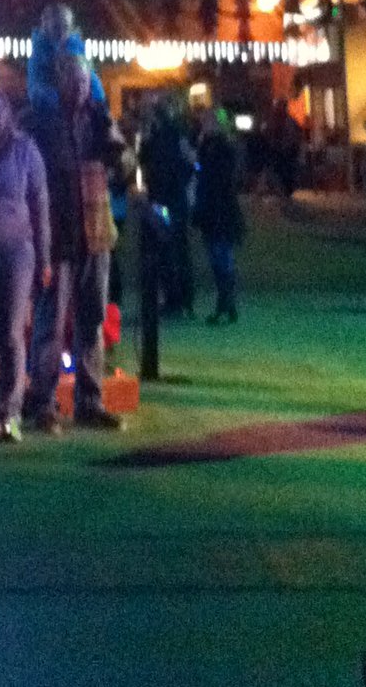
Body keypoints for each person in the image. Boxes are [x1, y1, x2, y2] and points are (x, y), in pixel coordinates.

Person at [24, 52, 126, 432]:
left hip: (96, 233)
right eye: (74, 80)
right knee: (51, 322)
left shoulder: (98, 119)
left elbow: (124, 166)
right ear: (60, 82)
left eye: (85, 81)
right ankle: (44, 404)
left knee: (92, 320)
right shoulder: (43, 122)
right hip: (61, 236)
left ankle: (90, 401)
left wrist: (118, 149)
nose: (81, 87)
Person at [0, 88, 50, 441]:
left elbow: (39, 205)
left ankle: (10, 411)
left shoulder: (26, 150)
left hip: (17, 250)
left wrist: (44, 256)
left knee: (10, 332)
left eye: (1, 110)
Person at [139, 96, 196, 317]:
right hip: (170, 198)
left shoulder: (166, 135)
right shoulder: (172, 134)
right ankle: (180, 299)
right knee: (176, 249)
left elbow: (147, 160)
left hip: (166, 199)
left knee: (170, 249)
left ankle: (177, 299)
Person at [194, 107, 245, 324]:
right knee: (220, 257)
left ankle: (225, 303)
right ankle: (227, 303)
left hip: (219, 208)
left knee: (221, 256)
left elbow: (216, 175)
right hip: (216, 207)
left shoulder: (221, 146)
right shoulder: (213, 144)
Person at [27, 3, 106, 114]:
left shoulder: (78, 51)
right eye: (56, 27)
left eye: (66, 27)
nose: (62, 32)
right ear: (45, 26)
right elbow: (36, 89)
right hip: (51, 115)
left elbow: (92, 81)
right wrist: (61, 102)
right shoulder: (39, 55)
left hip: (81, 111)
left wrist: (99, 106)